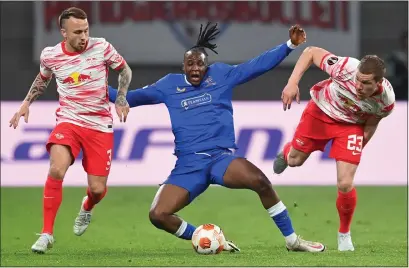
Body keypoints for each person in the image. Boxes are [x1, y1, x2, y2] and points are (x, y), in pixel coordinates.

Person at [109, 23, 325, 253]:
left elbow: (256, 66)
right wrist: (90, 86)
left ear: (207, 66)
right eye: (190, 64)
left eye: (200, 64)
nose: (195, 68)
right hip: (188, 166)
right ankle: (206, 238)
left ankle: (292, 240)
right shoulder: (168, 85)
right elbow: (129, 97)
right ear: (183, 66)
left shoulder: (221, 75)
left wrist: (289, 45)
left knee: (260, 181)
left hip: (220, 159)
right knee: (158, 215)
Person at [8, 7, 132, 254]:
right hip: (69, 121)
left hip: (99, 125)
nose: (84, 36)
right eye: (77, 32)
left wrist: (121, 99)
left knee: (97, 189)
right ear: (64, 32)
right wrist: (26, 103)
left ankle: (87, 206)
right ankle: (46, 234)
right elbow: (43, 79)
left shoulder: (102, 47)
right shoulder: (51, 55)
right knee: (56, 169)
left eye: (86, 30)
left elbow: (125, 70)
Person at [275, 46, 395, 251]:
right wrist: (292, 83)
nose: (358, 85)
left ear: (378, 83)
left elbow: (372, 123)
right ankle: (288, 152)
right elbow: (310, 52)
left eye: (365, 83)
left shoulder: (386, 101)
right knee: (295, 160)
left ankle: (344, 235)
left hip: (350, 127)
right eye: (358, 79)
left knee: (345, 182)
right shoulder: (346, 67)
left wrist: (358, 147)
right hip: (321, 112)